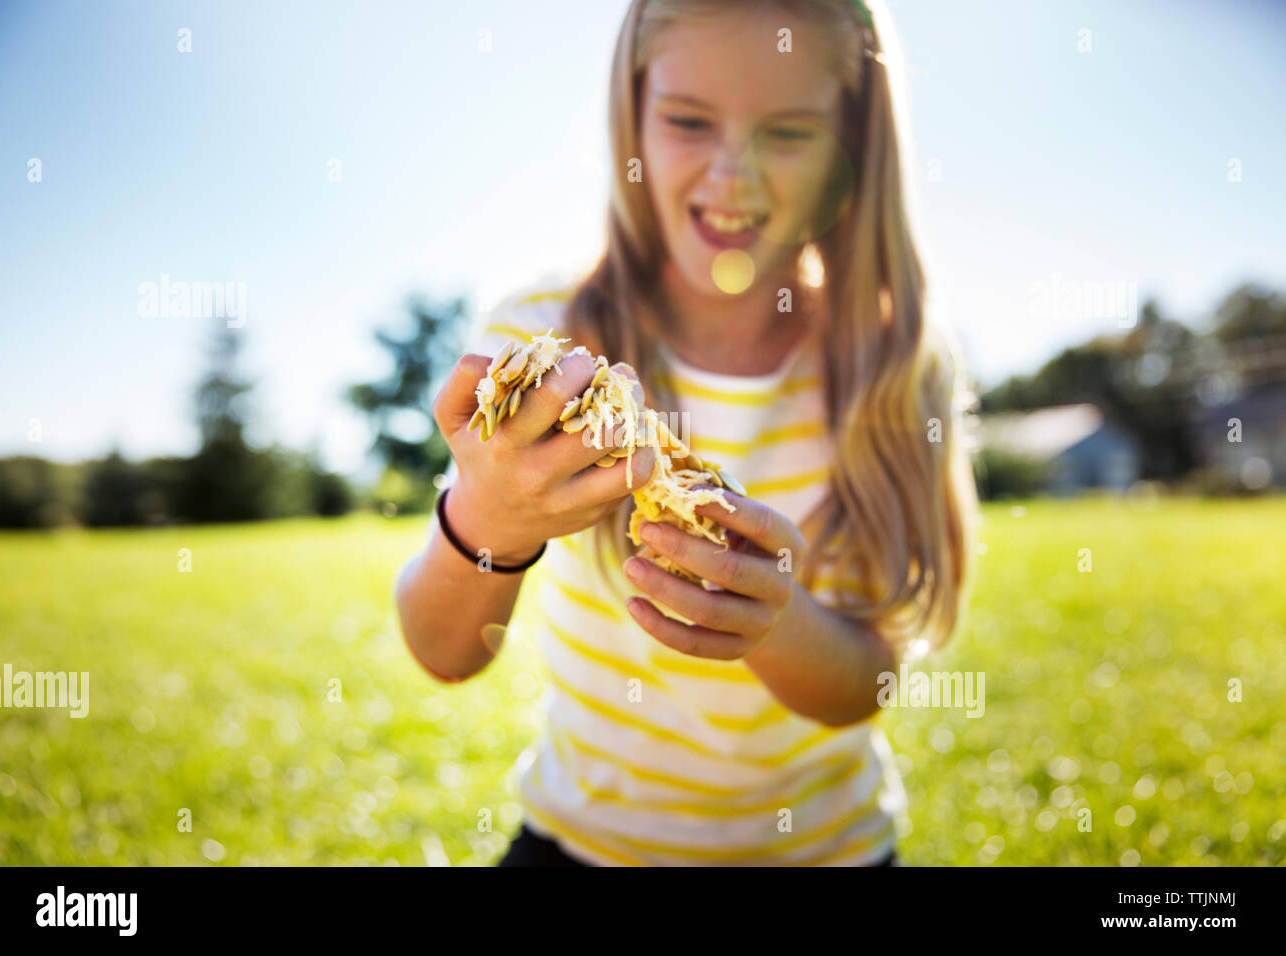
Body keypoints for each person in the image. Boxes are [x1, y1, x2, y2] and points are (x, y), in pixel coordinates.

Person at [395, 0, 977, 866]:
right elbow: (441, 650)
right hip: (583, 844)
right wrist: (489, 519)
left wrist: (774, 621)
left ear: (852, 150)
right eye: (687, 121)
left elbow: (868, 681)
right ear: (632, 116)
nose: (732, 174)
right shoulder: (542, 337)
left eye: (787, 132)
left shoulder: (891, 366)